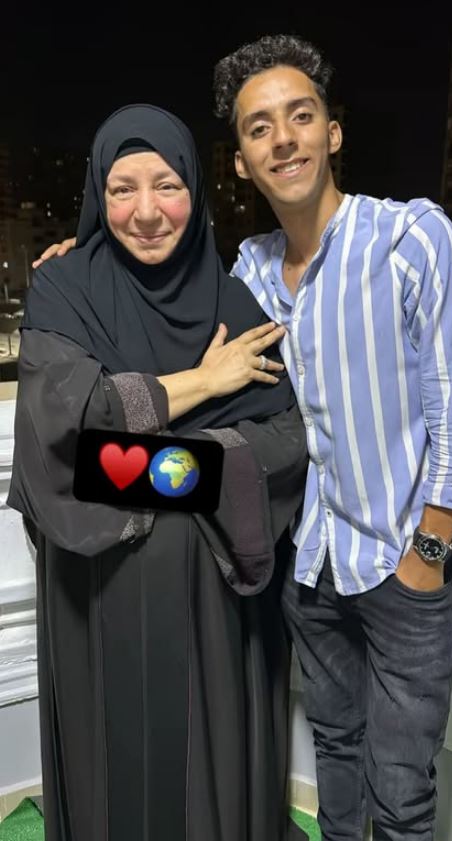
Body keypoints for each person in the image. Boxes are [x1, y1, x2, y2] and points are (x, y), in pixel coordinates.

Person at [211, 35, 452, 841]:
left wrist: (427, 553)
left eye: (300, 116)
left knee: (400, 792)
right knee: (335, 749)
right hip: (309, 567)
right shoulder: (249, 272)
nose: (283, 138)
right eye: (259, 128)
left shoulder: (410, 238)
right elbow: (165, 302)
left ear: (332, 132)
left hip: (405, 566)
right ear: (242, 163)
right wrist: (80, 255)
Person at [8, 104, 309, 841]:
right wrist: (204, 385)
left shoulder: (233, 301)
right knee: (113, 767)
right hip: (97, 596)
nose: (146, 212)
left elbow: (287, 442)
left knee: (204, 774)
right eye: (122, 189)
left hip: (213, 603)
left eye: (167, 185)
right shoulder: (63, 289)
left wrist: (131, 461)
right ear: (98, 194)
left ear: (195, 191)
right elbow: (64, 436)